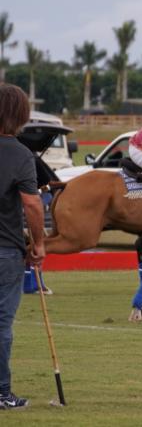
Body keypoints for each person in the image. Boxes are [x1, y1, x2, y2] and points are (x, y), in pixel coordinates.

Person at [0, 84, 46, 409]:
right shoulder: (20, 154)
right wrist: (39, 243)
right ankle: (2, 392)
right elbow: (32, 204)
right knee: (2, 323)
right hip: (5, 250)